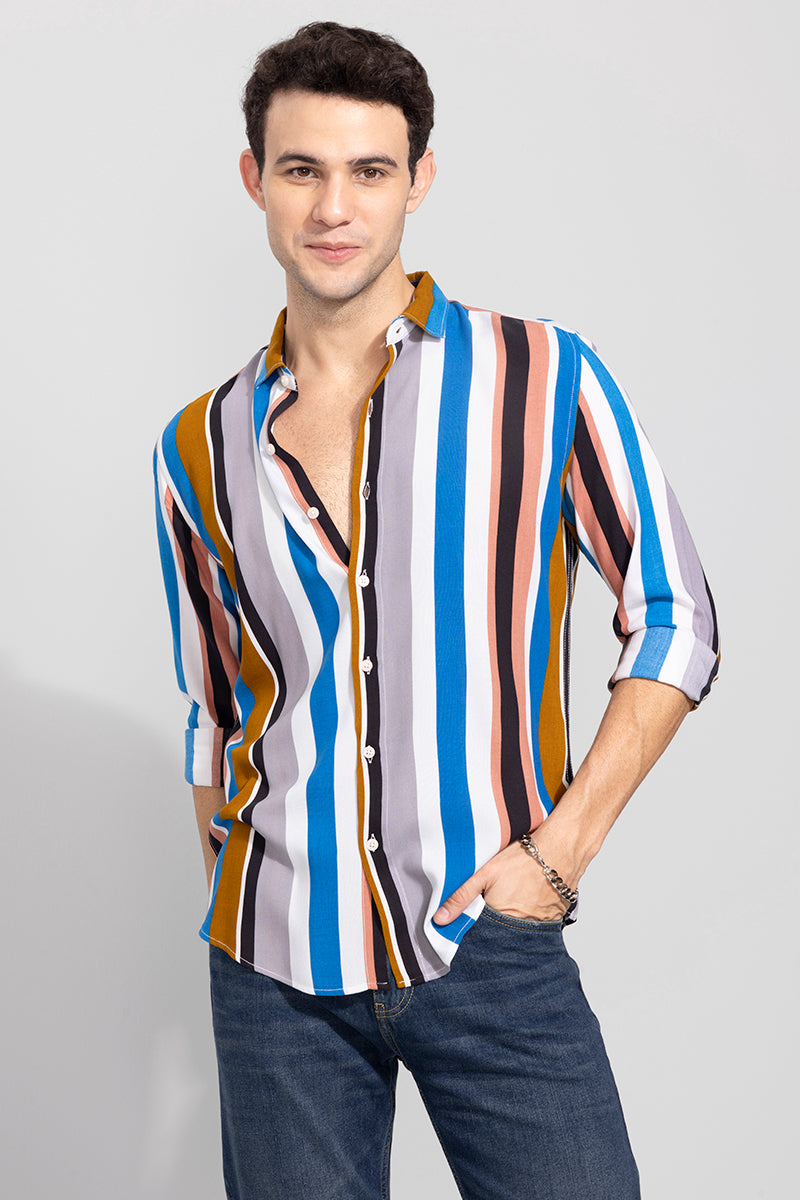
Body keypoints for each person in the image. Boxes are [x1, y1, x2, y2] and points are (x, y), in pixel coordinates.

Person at [154, 20, 719, 1200]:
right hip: (274, 971)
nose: (333, 208)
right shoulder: (198, 444)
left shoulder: (540, 375)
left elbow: (675, 614)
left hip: (487, 946)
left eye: (369, 170)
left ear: (418, 179)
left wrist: (557, 855)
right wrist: (237, 877)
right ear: (254, 179)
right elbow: (216, 705)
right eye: (301, 169)